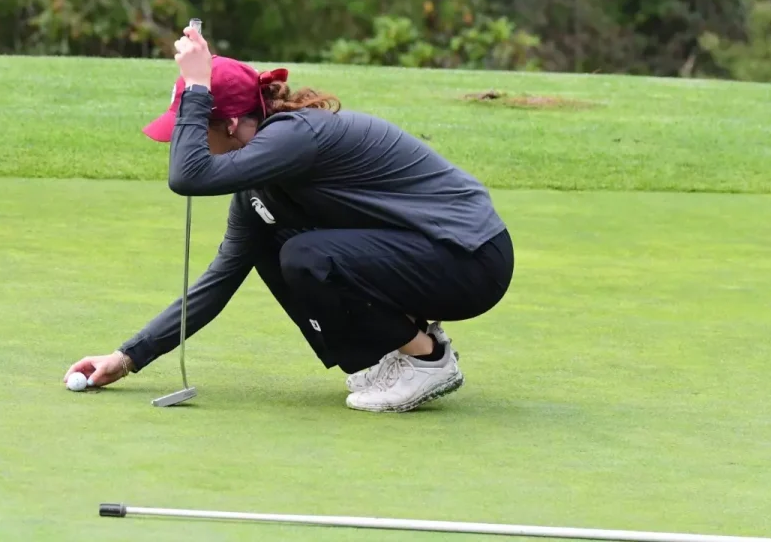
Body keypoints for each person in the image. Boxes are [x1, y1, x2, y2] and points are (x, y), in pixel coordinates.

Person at [65, 25, 514, 413]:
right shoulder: (259, 187)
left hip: (470, 258)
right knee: (274, 247)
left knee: (304, 253)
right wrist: (126, 358)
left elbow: (187, 176)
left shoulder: (296, 137)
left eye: (193, 128)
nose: (182, 142)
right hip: (428, 255)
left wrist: (198, 86)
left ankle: (427, 357)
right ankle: (389, 356)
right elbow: (220, 280)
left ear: (231, 123)